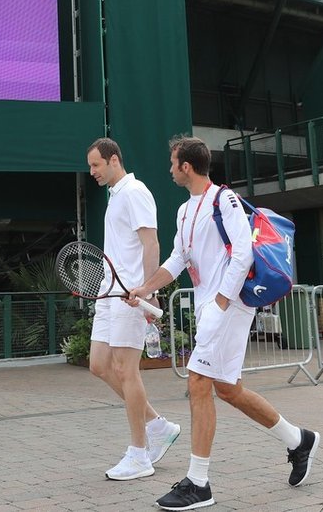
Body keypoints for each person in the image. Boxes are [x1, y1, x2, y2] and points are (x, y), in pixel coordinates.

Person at [127, 135, 320, 510]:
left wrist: (220, 301)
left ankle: (199, 483)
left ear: (186, 166)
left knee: (198, 381)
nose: (169, 169)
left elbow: (244, 252)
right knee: (229, 390)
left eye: (172, 163)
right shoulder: (185, 211)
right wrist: (144, 288)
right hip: (210, 310)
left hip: (228, 308)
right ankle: (300, 440)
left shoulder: (224, 199)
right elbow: (177, 261)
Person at [85, 137, 182, 481]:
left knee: (127, 371)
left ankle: (139, 455)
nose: (92, 172)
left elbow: (151, 242)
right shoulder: (115, 197)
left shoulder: (135, 191)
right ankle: (157, 425)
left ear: (113, 160)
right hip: (109, 293)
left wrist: (147, 290)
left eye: (96, 165)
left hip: (129, 294)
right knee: (99, 365)